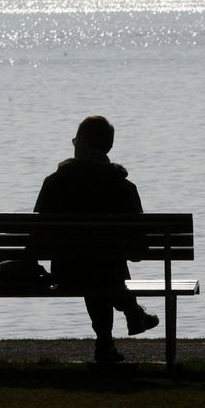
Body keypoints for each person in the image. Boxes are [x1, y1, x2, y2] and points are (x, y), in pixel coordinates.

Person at [34, 115, 160, 363]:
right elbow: (138, 249)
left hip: (65, 271)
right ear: (108, 147)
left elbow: (38, 238)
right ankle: (131, 316)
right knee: (104, 265)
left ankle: (111, 339)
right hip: (109, 272)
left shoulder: (55, 183)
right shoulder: (123, 187)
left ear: (79, 143)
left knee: (92, 266)